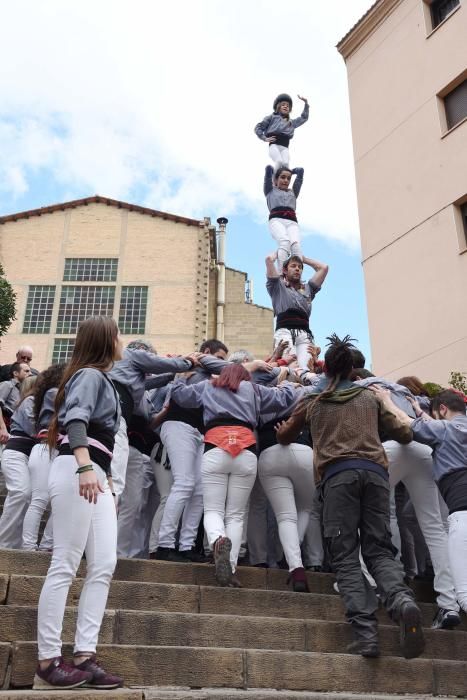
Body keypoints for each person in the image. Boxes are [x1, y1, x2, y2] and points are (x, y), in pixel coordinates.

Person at [276, 334, 425, 660]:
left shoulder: (313, 400)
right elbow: (405, 433)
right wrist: (385, 403)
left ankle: (365, 633)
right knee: (379, 549)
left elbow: (286, 434)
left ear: (326, 369)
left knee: (344, 555)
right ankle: (402, 601)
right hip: (375, 476)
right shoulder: (369, 396)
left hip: (337, 479)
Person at [34, 316, 124, 690]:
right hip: (77, 466)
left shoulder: (101, 379)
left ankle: (85, 655)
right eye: (118, 334)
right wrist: (86, 466)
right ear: (105, 341)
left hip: (94, 474)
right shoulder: (89, 375)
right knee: (66, 561)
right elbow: (76, 420)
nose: (123, 340)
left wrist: (103, 478)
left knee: (104, 562)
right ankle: (48, 659)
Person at [170, 363, 296, 586]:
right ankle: (232, 567)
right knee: (236, 514)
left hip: (214, 447)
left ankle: (218, 539)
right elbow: (285, 398)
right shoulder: (254, 389)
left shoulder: (208, 386)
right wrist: (285, 381)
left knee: (213, 510)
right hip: (246, 449)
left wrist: (180, 378)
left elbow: (180, 396)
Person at [355, 371, 461, 630]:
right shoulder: (412, 395)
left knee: (368, 513)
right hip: (422, 450)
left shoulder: (365, 385)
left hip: (390, 448)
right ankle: (449, 603)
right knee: (434, 527)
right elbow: (427, 415)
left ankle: (370, 580)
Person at [374, 387, 467, 612]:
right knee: (435, 528)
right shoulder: (451, 428)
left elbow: (409, 422)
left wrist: (386, 400)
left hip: (462, 512)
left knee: (465, 594)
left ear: (443, 409)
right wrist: (421, 411)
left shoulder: (445, 429)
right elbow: (437, 428)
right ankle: (448, 604)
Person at [257, 384, 315, 591]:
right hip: (303, 450)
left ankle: (295, 566)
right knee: (305, 508)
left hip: (269, 452)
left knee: (285, 517)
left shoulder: (260, 396)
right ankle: (291, 552)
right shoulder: (304, 395)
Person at [22, 364, 66, 551]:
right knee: (40, 500)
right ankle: (29, 548)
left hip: (57, 450)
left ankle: (46, 546)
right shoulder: (54, 392)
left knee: (59, 502)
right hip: (45, 448)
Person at [266, 253, 328, 372]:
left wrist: (303, 258)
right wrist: (280, 252)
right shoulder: (277, 286)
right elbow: (268, 260)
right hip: (284, 331)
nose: (297, 269)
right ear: (284, 270)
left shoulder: (308, 289)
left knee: (306, 369)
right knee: (290, 366)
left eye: (300, 267)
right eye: (293, 266)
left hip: (305, 334)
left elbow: (323, 268)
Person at [0, 375, 37, 548]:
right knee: (21, 493)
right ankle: (4, 543)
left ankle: (11, 543)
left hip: (28, 456)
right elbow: (34, 429)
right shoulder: (30, 401)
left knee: (23, 497)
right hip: (16, 453)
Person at [264, 165, 304, 271]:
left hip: (292, 222)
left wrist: (295, 171)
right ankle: (282, 274)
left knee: (296, 245)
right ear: (276, 179)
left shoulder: (293, 192)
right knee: (285, 242)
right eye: (282, 177)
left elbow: (300, 175)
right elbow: (268, 172)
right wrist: (271, 170)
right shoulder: (270, 191)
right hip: (277, 220)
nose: (286, 180)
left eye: (288, 178)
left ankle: (297, 278)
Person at [254, 93, 309, 168]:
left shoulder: (291, 123)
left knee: (286, 164)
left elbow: (303, 118)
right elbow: (258, 127)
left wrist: (306, 104)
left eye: (288, 106)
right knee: (279, 161)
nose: (286, 106)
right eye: (283, 105)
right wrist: (264, 138)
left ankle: (285, 178)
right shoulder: (272, 117)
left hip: (285, 147)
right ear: (278, 106)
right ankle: (273, 179)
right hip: (274, 145)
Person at [0, 362, 32, 443]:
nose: (30, 374)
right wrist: (2, 428)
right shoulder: (7, 385)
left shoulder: (23, 391)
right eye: (26, 371)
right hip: (4, 432)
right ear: (15, 373)